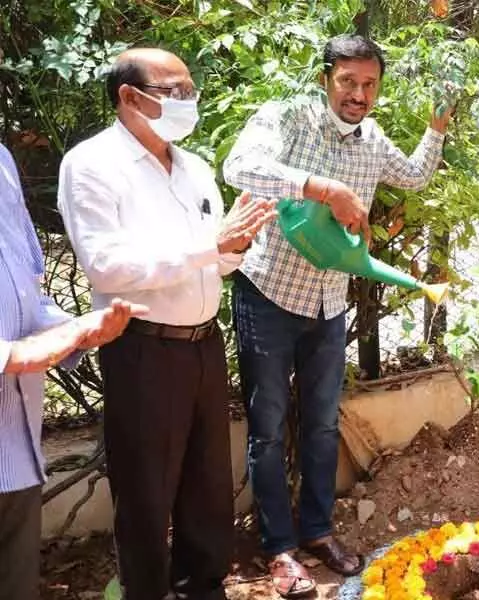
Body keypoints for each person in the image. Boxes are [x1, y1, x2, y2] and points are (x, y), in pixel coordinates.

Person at [222, 34, 452, 596]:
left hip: (327, 304)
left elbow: (415, 176)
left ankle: (318, 531)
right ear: (327, 77)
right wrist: (322, 188)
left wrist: (437, 128)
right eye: (347, 81)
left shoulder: (372, 138)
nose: (358, 94)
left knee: (323, 424)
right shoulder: (290, 118)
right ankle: (279, 549)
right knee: (269, 431)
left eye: (369, 84)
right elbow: (239, 166)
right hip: (269, 296)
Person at [58, 48, 276, 599]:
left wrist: (234, 248)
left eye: (191, 89)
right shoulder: (92, 166)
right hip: (142, 349)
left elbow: (216, 259)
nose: (188, 101)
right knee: (147, 495)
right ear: (129, 97)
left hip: (203, 344)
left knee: (208, 487)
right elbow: (107, 265)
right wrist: (210, 247)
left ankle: (203, 587)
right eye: (173, 91)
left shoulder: (194, 167)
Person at [0, 142, 145, 600]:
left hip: (14, 453)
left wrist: (79, 329)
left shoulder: (2, 161)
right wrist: (18, 354)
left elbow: (28, 291)